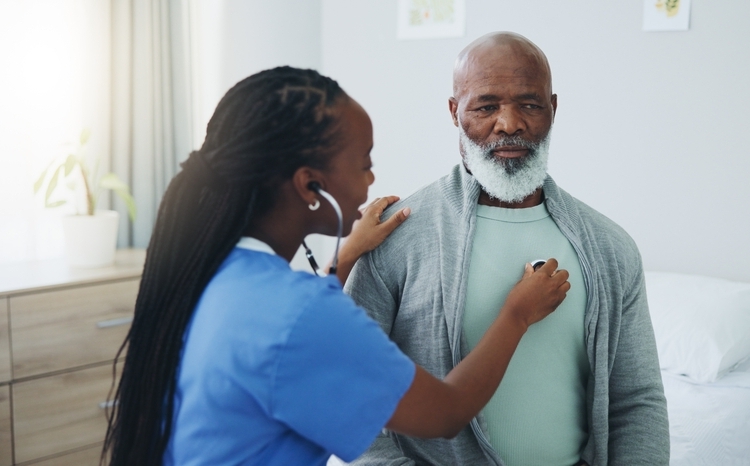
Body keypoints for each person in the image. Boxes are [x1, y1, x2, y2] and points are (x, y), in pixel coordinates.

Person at [101, 66, 571, 466]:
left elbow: (286, 344)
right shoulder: (300, 317)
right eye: (364, 163)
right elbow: (445, 414)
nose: (371, 178)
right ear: (311, 187)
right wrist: (516, 314)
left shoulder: (208, 274)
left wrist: (343, 258)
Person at [345, 32, 670, 466]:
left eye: (530, 104)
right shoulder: (397, 237)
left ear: (553, 110)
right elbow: (348, 387)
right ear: (454, 111)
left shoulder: (610, 247)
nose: (510, 123)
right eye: (486, 106)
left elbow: (636, 400)